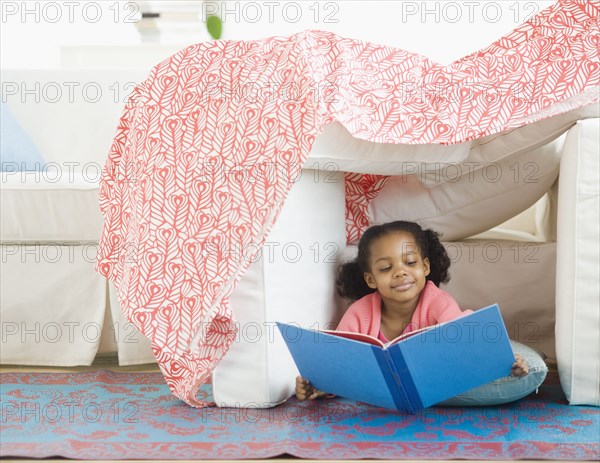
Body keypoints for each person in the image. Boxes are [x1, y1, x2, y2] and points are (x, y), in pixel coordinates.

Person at [296, 220, 533, 402]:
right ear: (371, 279)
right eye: (387, 268)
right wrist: (319, 385)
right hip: (385, 397)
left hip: (437, 383)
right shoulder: (360, 313)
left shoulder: (437, 302)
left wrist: (506, 362)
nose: (400, 272)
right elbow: (340, 364)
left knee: (509, 365)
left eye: (410, 263)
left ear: (425, 266)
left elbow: (467, 341)